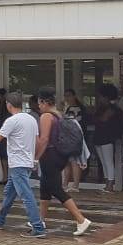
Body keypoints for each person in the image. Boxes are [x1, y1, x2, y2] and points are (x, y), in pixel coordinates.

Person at [0, 91, 46, 238]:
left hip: (18, 163)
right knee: (10, 192)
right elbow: (37, 141)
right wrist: (35, 159)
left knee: (26, 195)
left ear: (9, 105)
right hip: (25, 162)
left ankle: (38, 227)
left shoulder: (12, 121)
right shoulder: (31, 119)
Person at [34, 88, 94, 235]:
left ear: (44, 102)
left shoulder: (46, 116)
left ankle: (81, 219)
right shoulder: (59, 114)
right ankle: (40, 220)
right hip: (60, 155)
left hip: (50, 155)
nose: (39, 107)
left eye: (39, 103)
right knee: (45, 187)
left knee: (55, 189)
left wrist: (36, 157)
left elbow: (44, 139)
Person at [91, 84, 123, 193]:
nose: (99, 98)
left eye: (101, 96)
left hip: (107, 138)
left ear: (106, 97)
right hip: (99, 137)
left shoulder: (113, 109)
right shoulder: (102, 108)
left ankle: (110, 184)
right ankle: (107, 183)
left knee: (108, 162)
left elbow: (103, 119)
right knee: (104, 162)